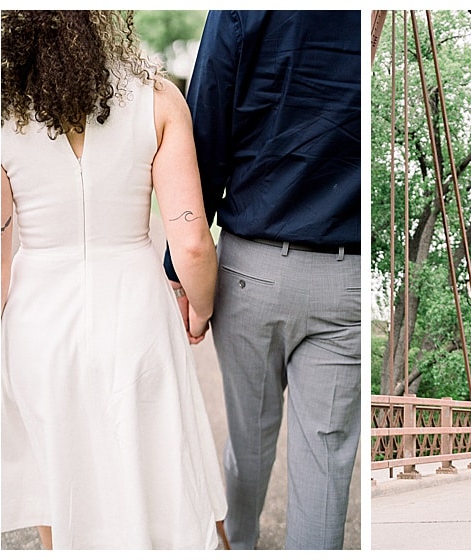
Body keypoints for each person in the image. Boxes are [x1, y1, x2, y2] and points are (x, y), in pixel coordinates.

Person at [0, 10, 227, 549]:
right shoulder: (158, 99)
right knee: (155, 465)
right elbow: (191, 240)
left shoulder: (1, 110)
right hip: (136, 312)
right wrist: (200, 307)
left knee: (57, 478)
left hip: (38, 323)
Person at [163, 10, 361, 549]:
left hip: (251, 267)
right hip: (349, 278)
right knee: (326, 462)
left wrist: (180, 273)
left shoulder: (241, 11)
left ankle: (241, 545)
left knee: (248, 441)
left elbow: (205, 133)